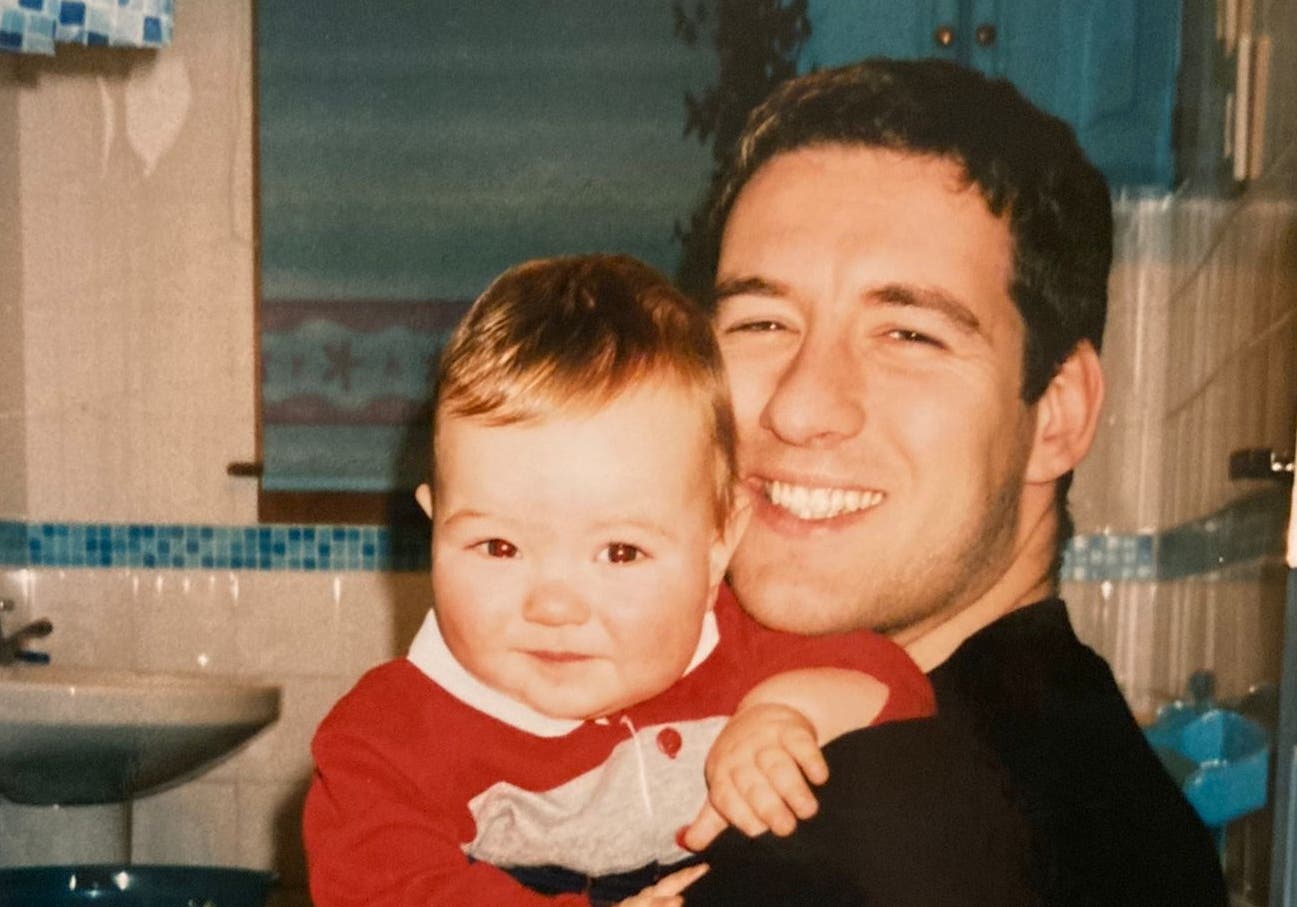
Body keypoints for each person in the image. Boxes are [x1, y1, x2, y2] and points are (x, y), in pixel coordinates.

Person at [677, 58, 1228, 906]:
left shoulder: (845, 831)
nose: (799, 406)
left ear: (1056, 414)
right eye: (760, 321)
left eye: (907, 334)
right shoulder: (1066, 760)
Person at [302, 254, 935, 906]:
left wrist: (788, 709)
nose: (553, 603)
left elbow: (896, 687)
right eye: (498, 545)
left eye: (621, 553)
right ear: (434, 527)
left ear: (718, 542)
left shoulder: (741, 642)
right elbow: (382, 889)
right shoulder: (388, 735)